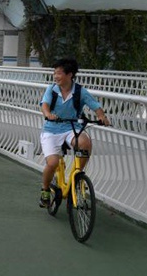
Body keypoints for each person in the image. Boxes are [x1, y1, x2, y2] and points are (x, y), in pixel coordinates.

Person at [39, 58, 111, 208]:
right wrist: (48, 114)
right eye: (54, 73)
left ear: (70, 74)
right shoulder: (51, 90)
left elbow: (95, 106)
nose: (55, 76)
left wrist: (101, 116)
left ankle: (77, 177)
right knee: (52, 163)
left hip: (71, 128)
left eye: (59, 73)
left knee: (85, 143)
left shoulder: (80, 92)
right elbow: (45, 105)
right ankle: (45, 190)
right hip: (51, 130)